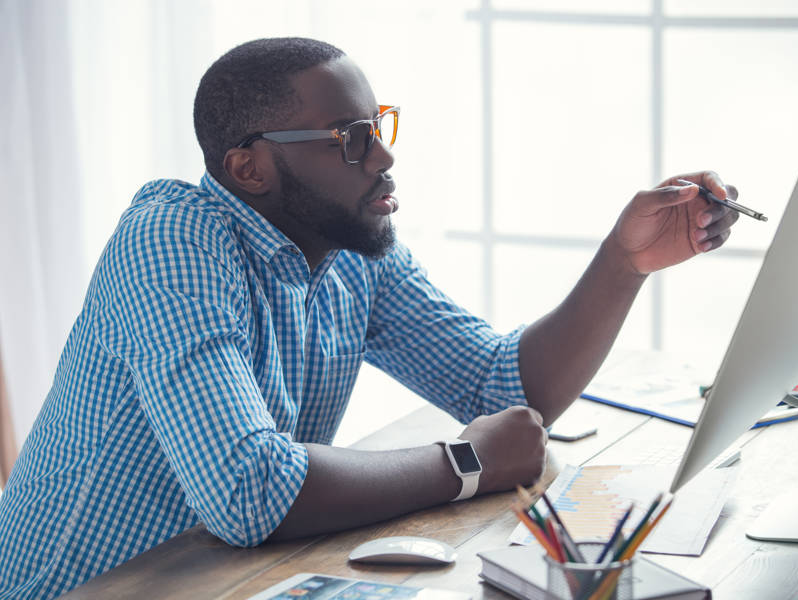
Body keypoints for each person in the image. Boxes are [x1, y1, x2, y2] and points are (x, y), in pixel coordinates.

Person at [0, 37, 738, 599]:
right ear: (249, 168)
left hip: (221, 580)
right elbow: (249, 489)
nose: (383, 157)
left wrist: (622, 262)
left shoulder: (351, 251)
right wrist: (465, 463)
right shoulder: (171, 239)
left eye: (379, 126)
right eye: (350, 138)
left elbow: (505, 389)